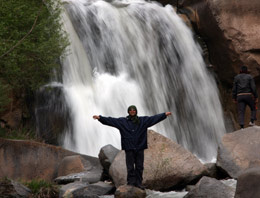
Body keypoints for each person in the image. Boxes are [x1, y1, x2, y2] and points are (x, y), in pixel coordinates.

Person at [93, 105, 171, 189]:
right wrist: (100, 118)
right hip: (129, 147)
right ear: (128, 112)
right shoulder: (123, 122)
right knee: (130, 167)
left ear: (136, 111)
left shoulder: (143, 121)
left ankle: (139, 183)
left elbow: (154, 118)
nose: (132, 111)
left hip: (140, 147)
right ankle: (130, 183)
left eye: (134, 110)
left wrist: (164, 115)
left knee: (139, 166)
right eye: (130, 110)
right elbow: (111, 120)